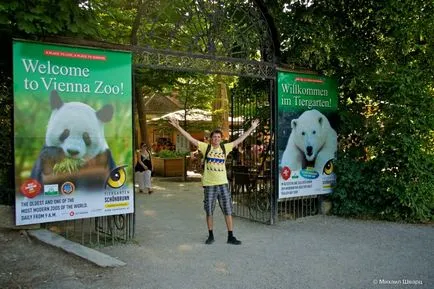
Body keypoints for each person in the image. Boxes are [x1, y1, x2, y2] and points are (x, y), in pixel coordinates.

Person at [169, 117, 260, 245]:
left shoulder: (225, 148)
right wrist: (178, 127)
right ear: (211, 139)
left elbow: (240, 139)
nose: (216, 139)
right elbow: (190, 138)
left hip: (223, 184)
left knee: (228, 210)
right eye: (214, 137)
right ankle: (210, 235)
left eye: (218, 137)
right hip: (209, 184)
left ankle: (230, 236)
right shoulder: (205, 147)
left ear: (221, 139)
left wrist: (252, 128)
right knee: (209, 211)